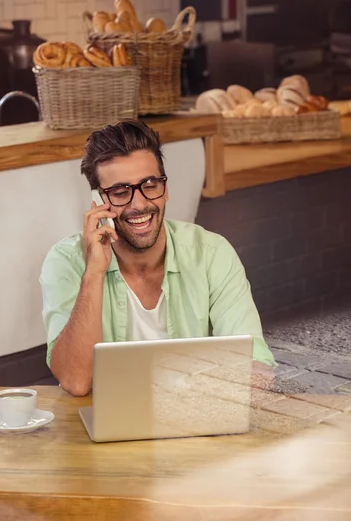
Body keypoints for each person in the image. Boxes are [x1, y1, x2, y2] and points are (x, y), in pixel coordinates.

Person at [40, 120, 276, 396]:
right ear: (98, 201)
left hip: (195, 419)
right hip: (103, 426)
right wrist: (93, 274)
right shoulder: (67, 262)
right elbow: (76, 381)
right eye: (120, 192)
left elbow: (255, 365)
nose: (139, 204)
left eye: (150, 185)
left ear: (165, 189)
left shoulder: (211, 254)